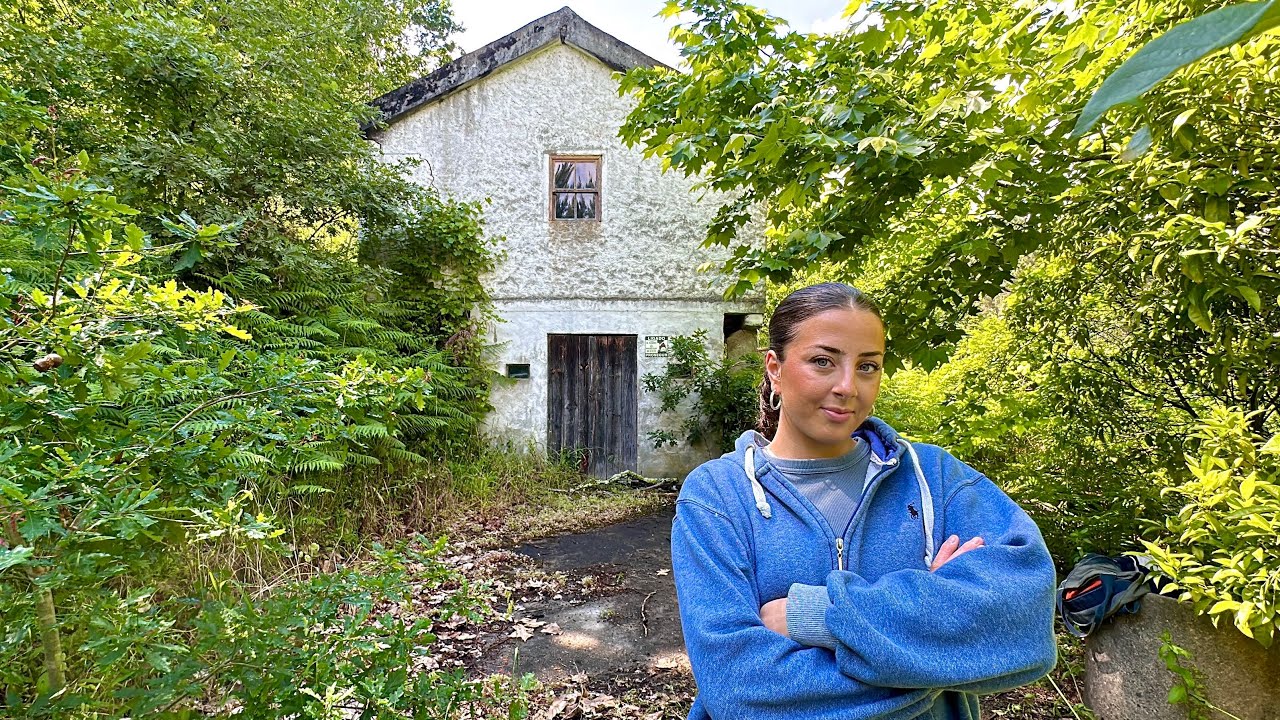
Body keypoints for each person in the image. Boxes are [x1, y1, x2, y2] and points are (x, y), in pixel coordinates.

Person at [670, 283, 1058, 719]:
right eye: (823, 361)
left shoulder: (934, 476)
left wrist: (814, 615)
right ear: (775, 368)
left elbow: (1023, 625)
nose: (848, 386)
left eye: (868, 366)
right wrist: (933, 643)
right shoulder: (718, 496)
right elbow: (739, 688)